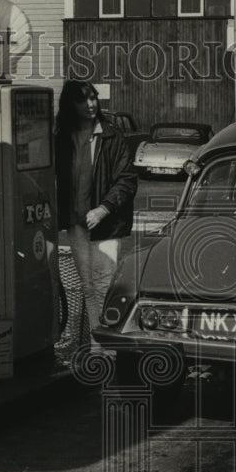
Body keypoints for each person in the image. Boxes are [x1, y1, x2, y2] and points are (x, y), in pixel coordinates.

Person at [55, 80, 138, 352]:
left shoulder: (112, 136)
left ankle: (108, 349)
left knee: (104, 286)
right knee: (88, 286)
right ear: (70, 105)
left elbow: (126, 180)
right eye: (83, 100)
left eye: (93, 98)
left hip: (106, 223)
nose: (91, 104)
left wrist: (103, 209)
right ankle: (97, 346)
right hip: (76, 222)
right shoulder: (61, 136)